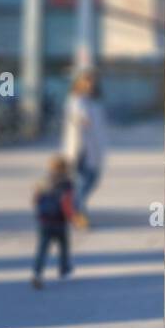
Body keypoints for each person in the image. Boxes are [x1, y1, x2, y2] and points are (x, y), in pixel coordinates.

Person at [62, 70, 107, 228]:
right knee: (83, 181)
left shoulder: (94, 101)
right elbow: (79, 118)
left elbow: (97, 125)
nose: (89, 84)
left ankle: (75, 210)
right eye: (86, 81)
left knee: (90, 180)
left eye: (91, 81)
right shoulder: (75, 100)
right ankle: (78, 213)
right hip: (80, 148)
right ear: (78, 83)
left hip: (93, 147)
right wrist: (82, 120)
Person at [31, 155, 76, 288]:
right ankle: (64, 269)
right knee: (64, 247)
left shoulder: (43, 181)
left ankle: (37, 272)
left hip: (44, 221)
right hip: (59, 222)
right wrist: (72, 218)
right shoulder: (67, 184)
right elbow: (67, 203)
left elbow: (36, 199)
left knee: (42, 249)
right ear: (66, 169)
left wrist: (40, 213)